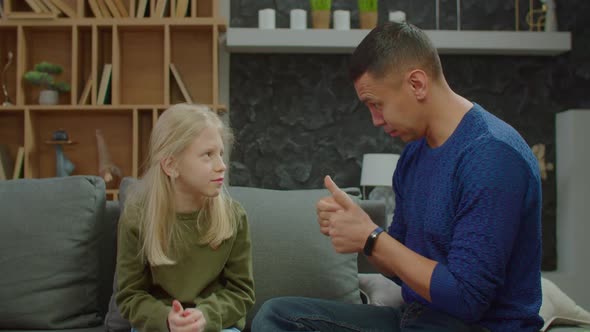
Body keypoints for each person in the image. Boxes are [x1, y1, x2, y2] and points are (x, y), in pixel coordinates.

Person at [252, 22, 543, 332]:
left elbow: (466, 298)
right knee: (278, 316)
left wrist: (372, 238)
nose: (375, 121)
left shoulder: (492, 154)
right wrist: (361, 235)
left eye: (377, 105)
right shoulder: (414, 154)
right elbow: (399, 267)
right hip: (417, 318)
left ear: (417, 83)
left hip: (477, 326)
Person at [115, 104, 255, 332]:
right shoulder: (136, 217)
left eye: (220, 153)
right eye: (208, 155)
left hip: (216, 327)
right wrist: (167, 320)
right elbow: (130, 295)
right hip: (157, 327)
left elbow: (242, 293)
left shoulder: (234, 216)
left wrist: (205, 317)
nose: (222, 166)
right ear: (171, 165)